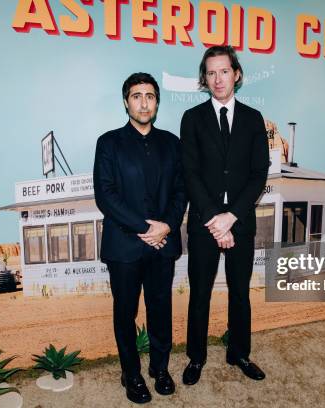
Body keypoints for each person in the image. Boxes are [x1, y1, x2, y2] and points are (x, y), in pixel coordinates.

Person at [93, 72, 187, 404]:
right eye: (137, 96)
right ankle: (131, 374)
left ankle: (159, 369)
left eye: (149, 96)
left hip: (163, 246)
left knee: (160, 311)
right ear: (126, 102)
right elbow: (106, 196)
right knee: (125, 314)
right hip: (124, 248)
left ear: (157, 102)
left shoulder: (172, 144)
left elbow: (180, 191)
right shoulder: (108, 143)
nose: (143, 102)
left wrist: (167, 225)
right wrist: (145, 228)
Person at [180, 46, 270, 385]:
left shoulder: (253, 118)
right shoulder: (192, 119)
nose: (218, 79)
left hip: (241, 222)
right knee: (199, 293)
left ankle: (240, 353)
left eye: (224, 71)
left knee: (239, 292)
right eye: (211, 73)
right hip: (205, 223)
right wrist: (216, 220)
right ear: (205, 78)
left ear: (237, 74)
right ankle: (196, 358)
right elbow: (190, 174)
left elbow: (258, 173)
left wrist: (231, 217)